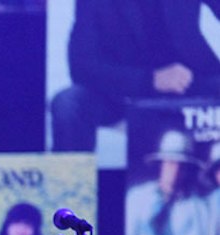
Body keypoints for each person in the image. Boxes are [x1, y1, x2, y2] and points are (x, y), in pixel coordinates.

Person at [50, 0, 220, 152]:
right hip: (122, 90)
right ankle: (70, 186)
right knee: (69, 103)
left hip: (188, 83)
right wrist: (150, 80)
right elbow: (81, 65)